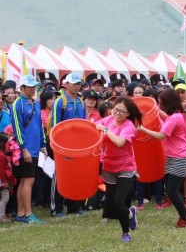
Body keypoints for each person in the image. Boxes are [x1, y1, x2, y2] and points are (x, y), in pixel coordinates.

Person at [138, 89, 186, 227]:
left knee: (171, 190)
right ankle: (184, 212)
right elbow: (163, 116)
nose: (159, 103)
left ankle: (184, 219)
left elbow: (161, 135)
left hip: (180, 157)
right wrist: (153, 109)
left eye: (160, 101)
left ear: (167, 102)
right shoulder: (173, 115)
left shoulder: (175, 118)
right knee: (170, 189)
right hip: (173, 157)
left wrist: (142, 129)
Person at [95, 97, 142, 242]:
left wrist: (106, 130)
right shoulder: (107, 120)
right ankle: (130, 212)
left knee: (119, 201)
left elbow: (120, 142)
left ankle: (125, 233)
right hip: (109, 167)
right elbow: (94, 127)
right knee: (113, 204)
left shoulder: (129, 126)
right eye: (116, 109)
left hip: (126, 167)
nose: (118, 113)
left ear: (128, 114)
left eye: (122, 111)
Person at [10, 75, 47, 224]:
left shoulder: (36, 103)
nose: (33, 89)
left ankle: (21, 213)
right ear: (22, 88)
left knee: (25, 180)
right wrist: (23, 148)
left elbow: (39, 125)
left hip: (35, 147)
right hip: (25, 149)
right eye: (30, 86)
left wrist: (43, 144)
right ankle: (28, 213)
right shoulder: (17, 104)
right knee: (28, 180)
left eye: (35, 86)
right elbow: (17, 129)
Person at [49, 72, 86, 217]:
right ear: (66, 84)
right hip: (62, 145)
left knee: (75, 175)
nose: (76, 86)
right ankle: (56, 208)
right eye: (74, 83)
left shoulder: (80, 101)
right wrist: (59, 145)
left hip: (77, 146)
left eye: (78, 83)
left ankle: (74, 207)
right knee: (59, 175)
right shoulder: (60, 101)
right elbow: (55, 126)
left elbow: (84, 125)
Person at [0, 134, 13, 222]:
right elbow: (1, 170)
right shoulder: (1, 156)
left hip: (3, 180)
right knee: (5, 198)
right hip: (2, 181)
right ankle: (1, 216)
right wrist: (4, 182)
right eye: (7, 143)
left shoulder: (2, 154)